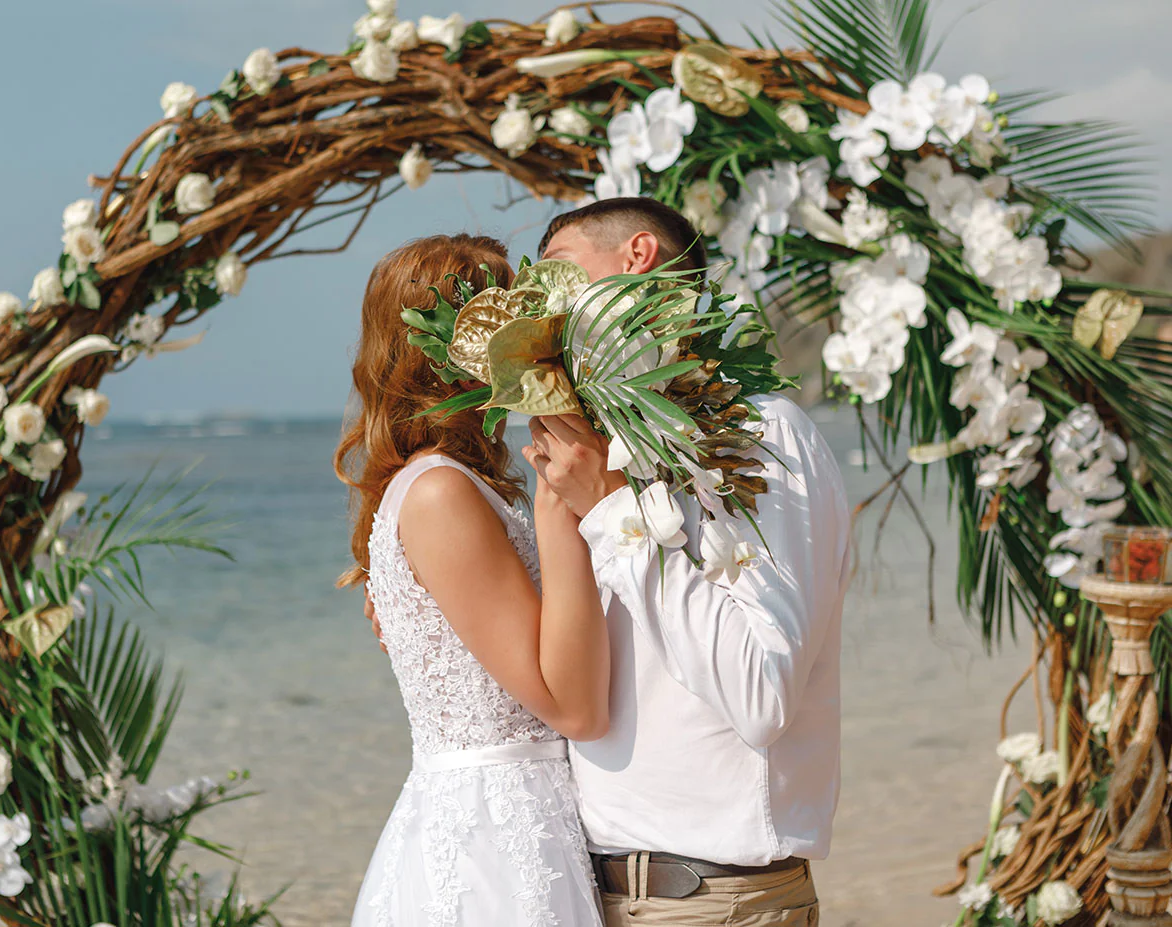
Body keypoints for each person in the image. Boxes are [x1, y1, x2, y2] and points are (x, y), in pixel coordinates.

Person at [526, 197, 852, 926]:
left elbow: (761, 695)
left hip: (715, 902)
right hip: (589, 895)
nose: (534, 305)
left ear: (637, 257)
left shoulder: (761, 435)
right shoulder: (594, 459)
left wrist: (614, 512)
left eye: (555, 270)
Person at [337, 233, 609, 927]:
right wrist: (559, 509)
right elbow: (573, 708)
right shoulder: (438, 495)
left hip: (515, 814)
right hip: (495, 836)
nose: (535, 340)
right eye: (510, 319)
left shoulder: (448, 489)